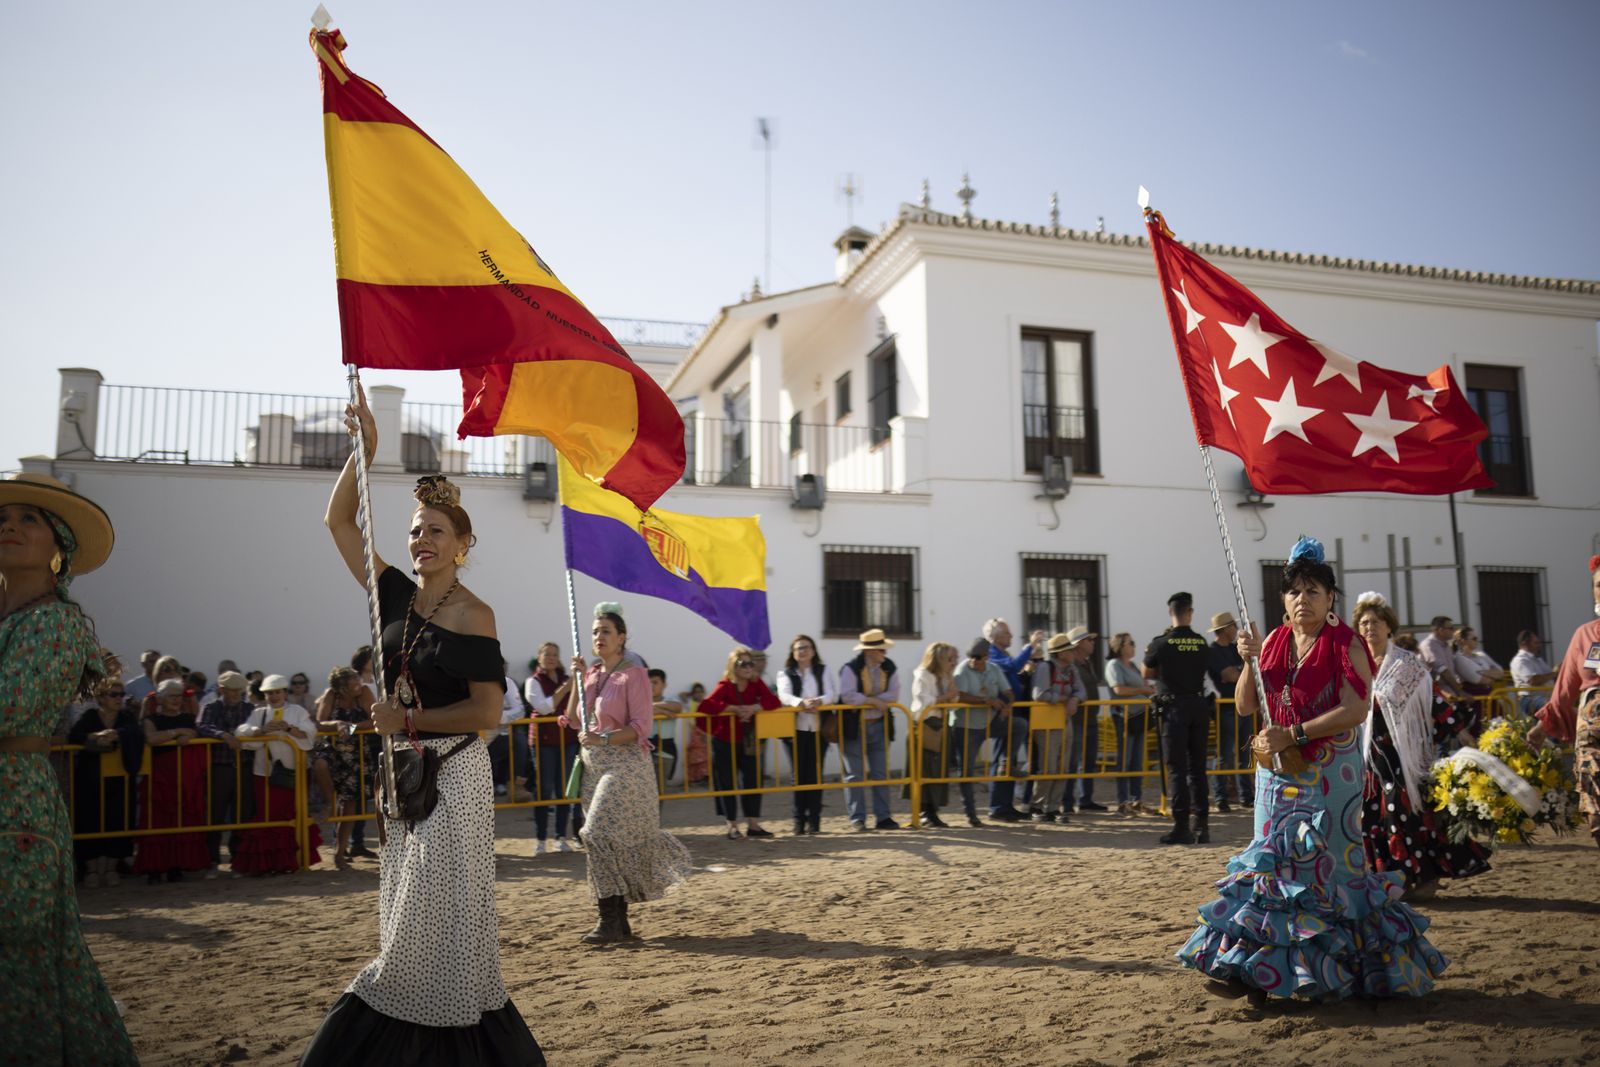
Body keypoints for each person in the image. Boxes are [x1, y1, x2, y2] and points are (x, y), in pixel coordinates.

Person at [302, 388, 544, 1064]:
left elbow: (488, 712)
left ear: (464, 543)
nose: (422, 539)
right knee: (414, 916)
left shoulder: (475, 613)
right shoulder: (394, 596)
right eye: (415, 530)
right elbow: (339, 523)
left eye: (437, 530)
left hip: (455, 774)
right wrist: (365, 453)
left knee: (425, 923)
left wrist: (405, 716)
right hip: (406, 779)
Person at [1177, 537, 1447, 1003]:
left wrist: (1295, 733)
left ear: (1331, 599)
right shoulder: (1276, 642)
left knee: (1327, 872)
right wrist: (1248, 661)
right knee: (1271, 869)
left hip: (1328, 777)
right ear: (1283, 600)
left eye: (1313, 591)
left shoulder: (1346, 643)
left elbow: (1357, 708)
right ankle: (1257, 972)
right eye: (1295, 592)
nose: (1303, 600)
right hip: (1276, 774)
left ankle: (1336, 971)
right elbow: (1245, 706)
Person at [0, 472, 139, 1062]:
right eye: (3, 519)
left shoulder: (54, 623)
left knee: (22, 968)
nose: (9, 526)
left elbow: (9, 709)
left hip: (14, 804)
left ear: (60, 550)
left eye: (29, 519)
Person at [561, 602, 692, 944]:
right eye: (594, 632)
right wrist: (576, 678)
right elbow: (574, 720)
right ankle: (616, 922)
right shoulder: (591, 673)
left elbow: (641, 727)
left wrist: (602, 736)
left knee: (594, 832)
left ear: (621, 638)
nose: (598, 637)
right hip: (592, 765)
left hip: (625, 764)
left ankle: (609, 918)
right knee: (603, 843)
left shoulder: (633, 674)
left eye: (605, 631)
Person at [1354, 592, 1490, 898]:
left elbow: (1433, 699)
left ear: (1388, 626)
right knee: (1373, 815)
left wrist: (1460, 731)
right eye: (1363, 623)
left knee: (1404, 813)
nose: (1369, 627)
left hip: (1402, 754)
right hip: (1367, 755)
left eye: (1375, 621)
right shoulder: (1355, 664)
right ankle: (1388, 879)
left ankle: (1423, 878)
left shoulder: (1406, 665)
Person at [1527, 555, 1600, 850]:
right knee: (1596, 807)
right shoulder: (1584, 635)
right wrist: (1542, 726)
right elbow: (1565, 687)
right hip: (1592, 736)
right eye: (1598, 585)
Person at [233, 675, 321, 875]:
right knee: (268, 817)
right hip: (265, 773)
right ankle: (268, 863)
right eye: (269, 693)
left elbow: (310, 734)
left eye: (277, 692)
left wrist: (289, 728)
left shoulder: (297, 711)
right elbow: (242, 732)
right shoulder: (259, 713)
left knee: (292, 815)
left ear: (284, 693)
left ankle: (292, 861)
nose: (273, 696)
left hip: (295, 772)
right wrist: (260, 730)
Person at [1144, 592, 1213, 845]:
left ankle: (1181, 826)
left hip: (1174, 708)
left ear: (1170, 613)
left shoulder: (1160, 643)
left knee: (1177, 769)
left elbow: (1147, 671)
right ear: (1190, 612)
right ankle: (1202, 826)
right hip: (1198, 705)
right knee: (1198, 769)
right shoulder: (1202, 642)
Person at [133, 677, 213, 883]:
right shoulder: (151, 720)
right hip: (159, 777)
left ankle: (176, 865)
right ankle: (154, 867)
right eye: (171, 696)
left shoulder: (188, 718)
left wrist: (188, 734)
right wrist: (176, 733)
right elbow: (151, 738)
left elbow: (194, 732)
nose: (176, 700)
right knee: (157, 820)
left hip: (184, 777)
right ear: (160, 699)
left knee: (182, 818)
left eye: (178, 696)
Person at [699, 647, 781, 839]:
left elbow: (773, 701)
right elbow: (706, 705)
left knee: (753, 781)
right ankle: (732, 825)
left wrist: (755, 707)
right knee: (727, 782)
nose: (747, 667)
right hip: (725, 741)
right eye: (742, 663)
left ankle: (753, 824)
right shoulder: (725, 685)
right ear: (733, 666)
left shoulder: (756, 683)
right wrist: (730, 708)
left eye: (750, 663)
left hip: (748, 740)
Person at [69, 675, 143, 888]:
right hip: (90, 781)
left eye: (121, 694)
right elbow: (76, 735)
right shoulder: (91, 716)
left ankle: (111, 868)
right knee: (89, 821)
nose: (119, 699)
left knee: (118, 820)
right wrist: (96, 736)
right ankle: (91, 870)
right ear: (101, 697)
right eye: (113, 695)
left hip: (119, 780)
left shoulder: (127, 717)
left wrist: (116, 734)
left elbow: (136, 733)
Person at [838, 628, 901, 831]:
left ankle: (883, 817)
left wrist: (867, 701)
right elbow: (847, 696)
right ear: (869, 651)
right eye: (881, 649)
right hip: (854, 728)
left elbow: (894, 695)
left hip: (879, 726)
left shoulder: (890, 667)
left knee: (880, 774)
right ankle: (858, 818)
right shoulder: (849, 668)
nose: (885, 654)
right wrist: (873, 701)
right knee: (855, 775)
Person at [312, 667, 375, 867]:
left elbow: (374, 717)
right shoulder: (331, 695)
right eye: (354, 683)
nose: (359, 685)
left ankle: (339, 853)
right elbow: (320, 722)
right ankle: (329, 803)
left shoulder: (364, 693)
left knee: (350, 804)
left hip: (356, 751)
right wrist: (338, 723)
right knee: (320, 764)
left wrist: (350, 727)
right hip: (332, 747)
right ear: (342, 688)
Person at [776, 634, 838, 835]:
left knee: (815, 776)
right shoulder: (785, 673)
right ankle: (798, 822)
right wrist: (800, 703)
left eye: (806, 647)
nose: (803, 651)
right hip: (795, 731)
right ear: (793, 653)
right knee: (799, 777)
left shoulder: (823, 670)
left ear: (813, 650)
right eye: (799, 648)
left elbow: (832, 694)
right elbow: (784, 695)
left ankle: (815, 822)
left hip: (819, 729)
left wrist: (818, 701)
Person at [525, 641, 580, 854]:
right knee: (544, 789)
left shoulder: (568, 679)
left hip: (566, 740)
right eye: (547, 654)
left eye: (555, 654)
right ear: (539, 657)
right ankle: (540, 839)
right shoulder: (533, 681)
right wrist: (567, 687)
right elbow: (544, 707)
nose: (551, 658)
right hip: (544, 741)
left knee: (563, 790)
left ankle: (560, 837)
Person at [1030, 631, 1087, 822]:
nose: (1073, 652)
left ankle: (1053, 806)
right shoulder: (1046, 668)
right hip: (1047, 722)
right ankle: (1037, 806)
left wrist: (1075, 699)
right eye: (1070, 649)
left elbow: (1082, 690)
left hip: (1065, 720)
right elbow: (1039, 694)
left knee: (1063, 766)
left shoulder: (1072, 669)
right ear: (1061, 653)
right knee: (1049, 766)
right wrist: (1063, 699)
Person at [983, 618, 1033, 822]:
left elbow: (1013, 670)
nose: (1011, 636)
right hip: (1002, 713)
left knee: (1008, 760)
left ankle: (1006, 804)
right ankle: (998, 806)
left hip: (1013, 711)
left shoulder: (1002, 653)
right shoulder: (993, 654)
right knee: (1002, 760)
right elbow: (1012, 666)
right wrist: (1031, 646)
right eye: (1006, 633)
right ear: (994, 637)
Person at [1103, 632, 1156, 816]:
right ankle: (1123, 801)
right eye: (1130, 643)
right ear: (1120, 646)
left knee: (1137, 760)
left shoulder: (1132, 665)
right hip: (1124, 717)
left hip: (1139, 716)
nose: (1133, 645)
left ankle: (1136, 800)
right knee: (1125, 760)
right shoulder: (1113, 665)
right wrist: (1143, 689)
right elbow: (1118, 689)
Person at [908, 641, 959, 828]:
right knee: (925, 770)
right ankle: (924, 812)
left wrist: (951, 688)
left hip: (940, 725)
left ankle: (934, 811)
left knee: (938, 771)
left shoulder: (945, 676)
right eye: (949, 659)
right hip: (925, 725)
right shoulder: (923, 675)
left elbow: (953, 699)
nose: (953, 663)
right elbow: (923, 702)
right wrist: (945, 697)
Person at [1206, 612, 1252, 811]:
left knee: (1244, 752)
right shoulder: (1213, 652)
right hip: (1225, 708)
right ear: (1226, 629)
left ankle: (1245, 795)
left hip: (1242, 705)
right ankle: (1221, 797)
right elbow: (1230, 675)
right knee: (1224, 754)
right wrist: (1243, 672)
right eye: (1233, 626)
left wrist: (1240, 673)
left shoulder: (1235, 650)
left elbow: (1244, 673)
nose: (1236, 630)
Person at [488, 657, 534, 802]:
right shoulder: (470, 681)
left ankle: (516, 786)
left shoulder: (507, 683)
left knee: (518, 740)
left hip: (496, 738)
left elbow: (520, 710)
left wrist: (498, 717)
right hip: (471, 739)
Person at [647, 668, 682, 786]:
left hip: (665, 752)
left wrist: (652, 707)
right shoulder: (639, 703)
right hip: (644, 753)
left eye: (655, 682)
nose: (651, 686)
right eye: (648, 683)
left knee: (660, 793)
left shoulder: (671, 700)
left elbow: (677, 707)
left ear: (664, 684)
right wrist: (657, 710)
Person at [1417, 616, 1466, 696]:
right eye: (1451, 628)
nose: (1453, 631)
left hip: (1450, 692)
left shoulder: (1446, 646)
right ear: (1440, 630)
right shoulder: (1428, 645)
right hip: (1436, 695)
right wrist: (1460, 691)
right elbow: (1442, 670)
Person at [1451, 627, 1505, 696]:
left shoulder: (1480, 654)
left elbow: (1500, 672)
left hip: (1488, 695)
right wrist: (1492, 675)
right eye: (1474, 639)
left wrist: (1482, 672)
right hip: (1474, 696)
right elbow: (1480, 680)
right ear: (1463, 641)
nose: (1477, 641)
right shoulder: (1458, 658)